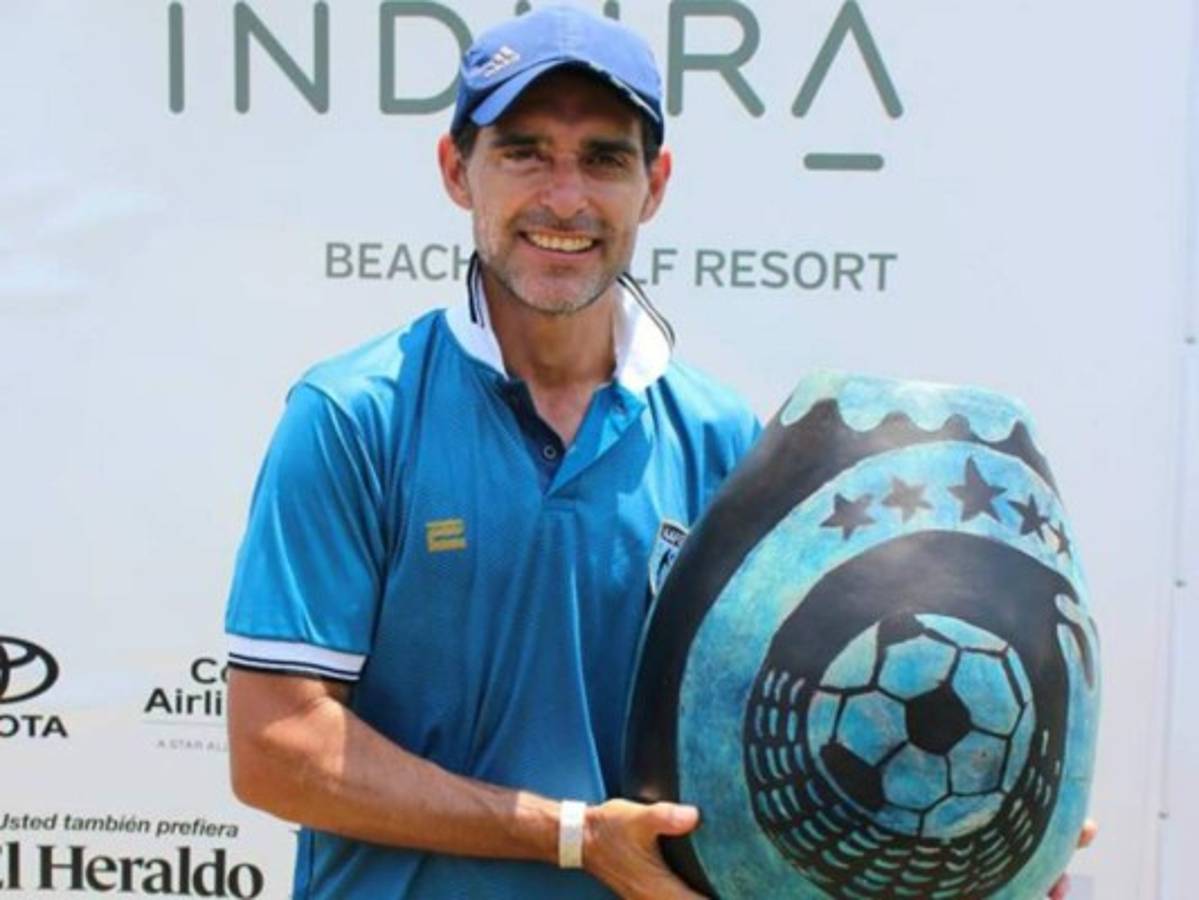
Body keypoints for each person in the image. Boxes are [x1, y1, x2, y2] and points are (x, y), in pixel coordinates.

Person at [224, 6, 1093, 899]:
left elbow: (776, 742)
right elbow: (274, 750)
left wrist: (989, 835)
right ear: (457, 171)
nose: (564, 198)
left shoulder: (725, 440)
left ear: (655, 184)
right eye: (524, 151)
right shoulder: (354, 415)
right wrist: (572, 838)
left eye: (604, 158)